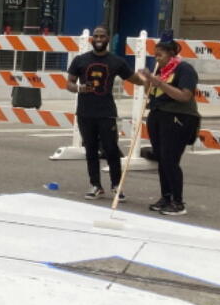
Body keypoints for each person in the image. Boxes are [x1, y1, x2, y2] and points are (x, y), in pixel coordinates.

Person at [66, 25, 145, 200]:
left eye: (102, 36)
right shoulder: (80, 60)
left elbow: (135, 79)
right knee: (91, 150)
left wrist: (149, 81)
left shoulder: (116, 62)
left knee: (111, 149)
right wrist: (80, 88)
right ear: (91, 39)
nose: (99, 39)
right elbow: (69, 84)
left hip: (106, 112)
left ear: (108, 39)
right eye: (96, 36)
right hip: (85, 113)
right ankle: (95, 185)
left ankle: (116, 186)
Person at [137, 35, 200, 216]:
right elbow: (150, 93)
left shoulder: (184, 69)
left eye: (160, 55)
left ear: (171, 54)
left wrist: (161, 84)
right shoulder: (161, 71)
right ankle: (166, 196)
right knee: (161, 158)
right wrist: (148, 80)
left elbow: (184, 95)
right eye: (155, 56)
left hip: (178, 117)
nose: (157, 59)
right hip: (158, 115)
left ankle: (178, 202)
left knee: (170, 159)